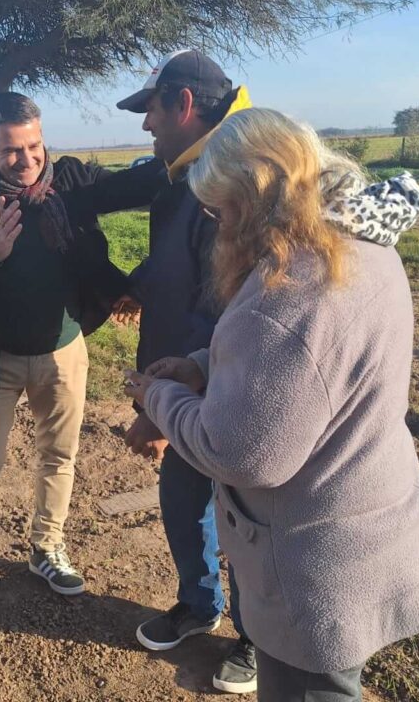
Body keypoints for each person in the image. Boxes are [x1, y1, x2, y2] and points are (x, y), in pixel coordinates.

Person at [123, 107, 419, 701]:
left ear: (253, 199)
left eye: (220, 212)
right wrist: (201, 364)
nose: (217, 229)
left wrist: (158, 396)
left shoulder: (285, 294)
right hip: (372, 530)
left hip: (314, 575)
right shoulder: (360, 246)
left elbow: (239, 453)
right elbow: (313, 358)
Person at [0, 92, 158, 610]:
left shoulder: (70, 183)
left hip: (63, 351)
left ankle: (47, 547)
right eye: (13, 150)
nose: (28, 159)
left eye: (34, 145)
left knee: (59, 456)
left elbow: (133, 185)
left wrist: (194, 153)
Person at [115, 49, 259, 694]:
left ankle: (259, 637)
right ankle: (201, 606)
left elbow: (225, 301)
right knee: (183, 497)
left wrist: (164, 404)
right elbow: (179, 261)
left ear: (182, 103)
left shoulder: (231, 179)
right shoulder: (188, 173)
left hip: (233, 386)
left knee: (247, 515)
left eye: (150, 111)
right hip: (186, 380)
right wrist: (138, 287)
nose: (146, 126)